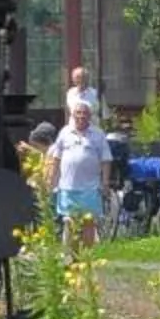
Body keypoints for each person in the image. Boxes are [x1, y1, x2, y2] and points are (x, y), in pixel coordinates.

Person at [43, 101, 110, 245]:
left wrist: (105, 183)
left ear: (90, 116)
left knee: (88, 222)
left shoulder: (98, 134)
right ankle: (70, 258)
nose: (81, 116)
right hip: (68, 187)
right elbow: (56, 158)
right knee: (69, 222)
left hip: (90, 188)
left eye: (84, 113)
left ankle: (85, 258)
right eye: (78, 113)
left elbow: (106, 160)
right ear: (73, 115)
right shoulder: (65, 132)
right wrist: (51, 180)